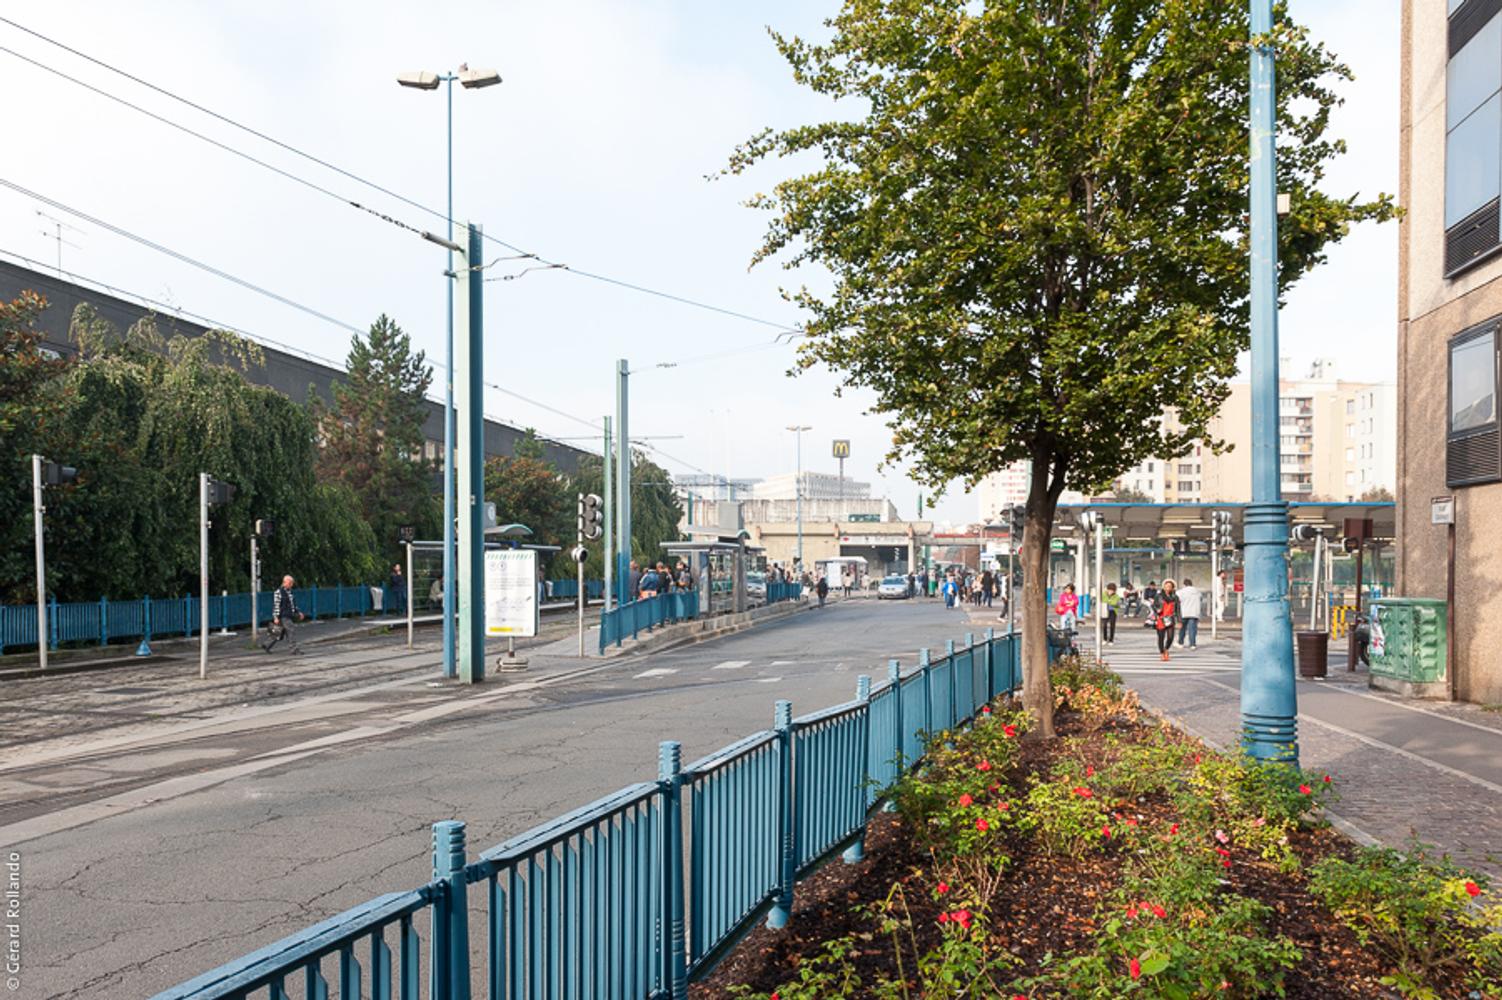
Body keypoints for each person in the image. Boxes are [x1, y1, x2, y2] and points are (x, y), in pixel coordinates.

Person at [263, 574, 307, 654]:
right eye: (290, 583)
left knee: (278, 632)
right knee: (291, 631)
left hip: (288, 615)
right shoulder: (278, 592)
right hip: (283, 615)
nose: (291, 585)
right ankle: (294, 649)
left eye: (292, 583)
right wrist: (275, 617)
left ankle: (266, 645)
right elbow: (276, 605)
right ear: (285, 582)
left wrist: (298, 612)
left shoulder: (290, 592)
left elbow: (293, 604)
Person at [1153, 579, 1181, 662]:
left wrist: (1179, 620)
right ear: (1164, 587)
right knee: (1161, 637)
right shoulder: (1158, 596)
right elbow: (1154, 606)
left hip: (1170, 618)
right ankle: (1162, 653)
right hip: (1161, 619)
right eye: (1166, 586)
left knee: (1170, 637)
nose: (1168, 587)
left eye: (1169, 586)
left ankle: (1166, 649)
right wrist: (1157, 610)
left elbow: (1178, 610)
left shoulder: (1175, 597)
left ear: (1172, 588)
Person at [1177, 577, 1202, 649]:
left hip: (1184, 612)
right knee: (1192, 629)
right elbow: (1201, 599)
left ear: (1184, 584)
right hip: (1194, 613)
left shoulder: (1180, 592)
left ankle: (1180, 643)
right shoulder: (1197, 592)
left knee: (1182, 628)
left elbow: (1177, 601)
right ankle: (1192, 644)